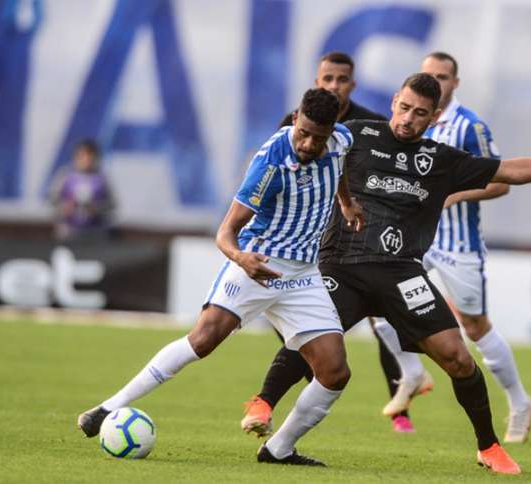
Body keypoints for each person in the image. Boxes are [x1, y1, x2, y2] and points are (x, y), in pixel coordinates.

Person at [255, 72, 531, 475]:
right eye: (403, 108)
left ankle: (489, 447)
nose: (408, 119)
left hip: (402, 274)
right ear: (394, 101)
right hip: (341, 266)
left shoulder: (441, 161)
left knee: (458, 357)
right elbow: (300, 141)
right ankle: (265, 410)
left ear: (434, 117)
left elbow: (513, 170)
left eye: (419, 113)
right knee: (316, 347)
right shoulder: (355, 134)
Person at [77, 88, 365, 467]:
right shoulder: (270, 163)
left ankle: (278, 449)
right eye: (304, 133)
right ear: (296, 118)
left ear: (332, 130)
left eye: (319, 136)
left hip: (302, 275)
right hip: (257, 262)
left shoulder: (341, 140)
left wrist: (345, 201)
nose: (310, 143)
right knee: (204, 339)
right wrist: (241, 260)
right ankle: (106, 408)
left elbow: (339, 165)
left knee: (334, 371)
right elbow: (225, 233)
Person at [242, 51, 429, 437]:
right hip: (308, 240)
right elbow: (269, 176)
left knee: (381, 316)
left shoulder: (370, 125)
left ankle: (401, 401)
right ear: (316, 80)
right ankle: (405, 378)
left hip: (359, 234)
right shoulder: (294, 123)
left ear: (352, 84)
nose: (333, 86)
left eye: (341, 79)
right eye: (327, 79)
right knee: (323, 330)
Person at [371, 52, 531, 444]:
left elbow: (501, 181)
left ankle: (520, 400)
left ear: (455, 83)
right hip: (414, 238)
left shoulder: (469, 126)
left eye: (443, 77)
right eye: (429, 76)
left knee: (474, 327)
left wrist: (451, 195)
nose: (436, 83)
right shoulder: (409, 120)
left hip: (457, 243)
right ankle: (411, 373)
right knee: (377, 301)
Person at [49, 139, 115, 242]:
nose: (86, 160)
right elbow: (52, 199)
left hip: (95, 233)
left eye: (90, 157)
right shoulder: (65, 176)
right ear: (76, 157)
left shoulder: (102, 179)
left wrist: (96, 209)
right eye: (82, 156)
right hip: (68, 232)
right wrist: (64, 208)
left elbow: (111, 204)